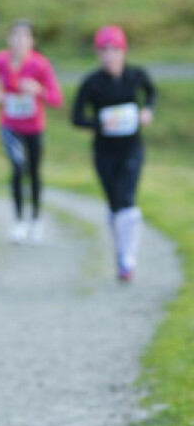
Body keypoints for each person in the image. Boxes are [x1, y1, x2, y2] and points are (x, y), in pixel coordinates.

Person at [71, 25, 156, 282]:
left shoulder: (136, 76)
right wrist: (98, 123)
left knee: (127, 200)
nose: (109, 55)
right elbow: (77, 118)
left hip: (132, 148)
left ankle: (127, 260)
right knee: (114, 204)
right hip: (104, 152)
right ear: (98, 54)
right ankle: (122, 253)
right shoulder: (92, 83)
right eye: (104, 50)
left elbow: (152, 93)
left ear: (123, 51)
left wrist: (148, 110)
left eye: (114, 49)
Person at [0, 19, 63, 244]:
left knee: (34, 172)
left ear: (32, 41)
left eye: (24, 37)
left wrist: (38, 91)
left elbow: (56, 99)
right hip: (10, 125)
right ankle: (19, 222)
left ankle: (36, 220)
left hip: (34, 128)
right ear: (9, 39)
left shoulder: (40, 65)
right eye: (15, 36)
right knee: (18, 169)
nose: (19, 41)